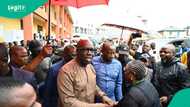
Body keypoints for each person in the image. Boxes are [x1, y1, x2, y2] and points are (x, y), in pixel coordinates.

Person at [57, 39, 115, 107]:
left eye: (91, 50)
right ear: (77, 51)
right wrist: (97, 106)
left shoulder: (90, 67)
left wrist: (103, 96)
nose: (90, 53)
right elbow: (68, 102)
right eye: (86, 49)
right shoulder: (65, 72)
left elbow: (93, 85)